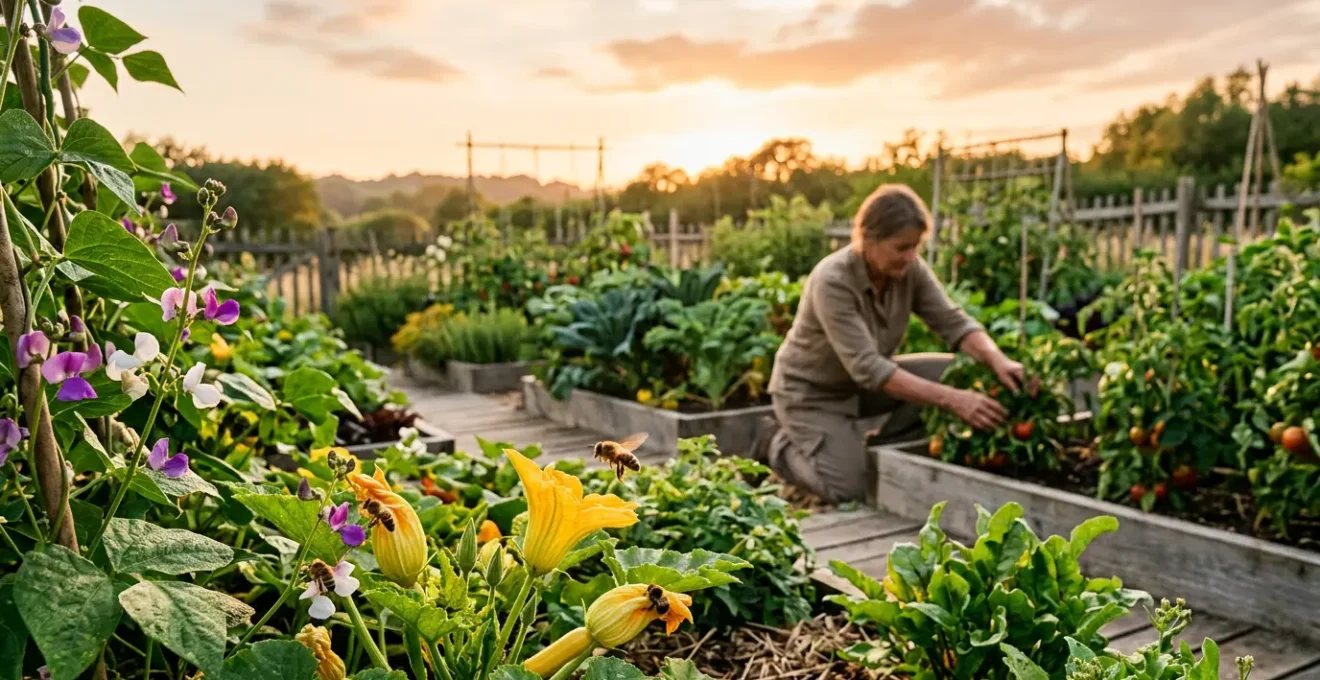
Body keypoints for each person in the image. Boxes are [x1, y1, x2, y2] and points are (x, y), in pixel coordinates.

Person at [756, 184, 1027, 503]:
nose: (911, 257)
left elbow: (952, 321)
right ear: (868, 239)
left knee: (952, 374)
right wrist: (953, 400)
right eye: (901, 247)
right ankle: (774, 443)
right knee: (850, 488)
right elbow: (868, 367)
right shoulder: (833, 280)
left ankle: (878, 448)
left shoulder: (909, 270)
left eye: (916, 247)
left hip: (863, 387)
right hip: (811, 393)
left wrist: (998, 360)